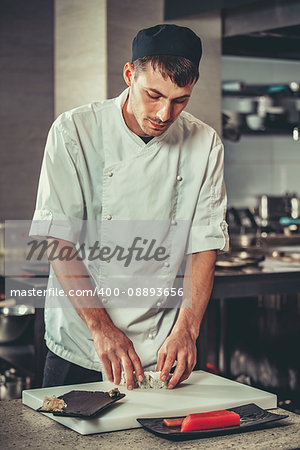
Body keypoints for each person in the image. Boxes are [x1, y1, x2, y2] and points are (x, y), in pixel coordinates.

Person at [29, 24, 229, 390]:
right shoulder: (74, 131)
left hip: (161, 348)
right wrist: (102, 329)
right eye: (153, 95)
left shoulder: (205, 143)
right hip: (83, 345)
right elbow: (56, 240)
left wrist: (187, 329)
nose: (165, 114)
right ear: (128, 75)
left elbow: (204, 243)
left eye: (180, 100)